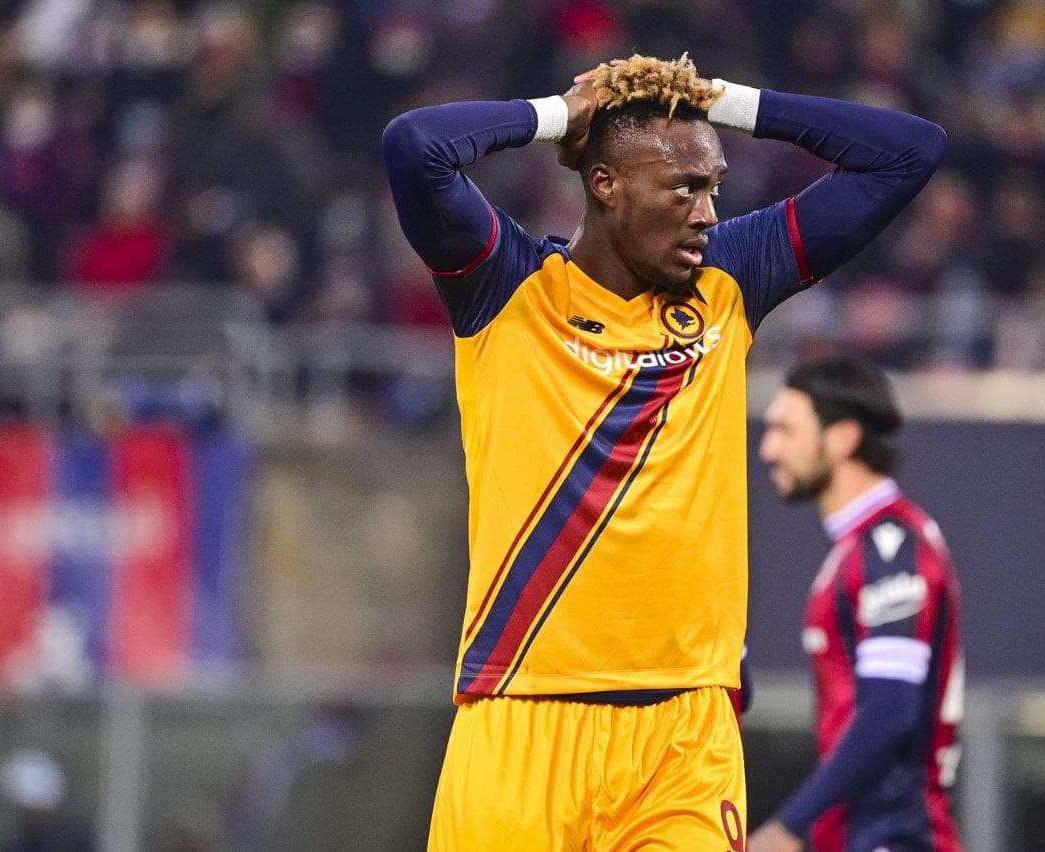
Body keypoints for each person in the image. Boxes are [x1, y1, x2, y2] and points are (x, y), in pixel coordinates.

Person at [382, 52, 945, 850]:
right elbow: (415, 146)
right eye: (684, 189)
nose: (708, 213)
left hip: (684, 738)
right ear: (606, 184)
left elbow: (909, 152)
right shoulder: (506, 287)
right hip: (522, 715)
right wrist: (559, 116)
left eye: (714, 188)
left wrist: (720, 101)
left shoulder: (731, 279)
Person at [751, 359, 964, 852]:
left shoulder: (890, 546)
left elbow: (889, 710)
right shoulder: (864, 547)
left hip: (895, 835)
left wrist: (786, 829)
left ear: (844, 437)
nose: (768, 450)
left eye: (786, 430)